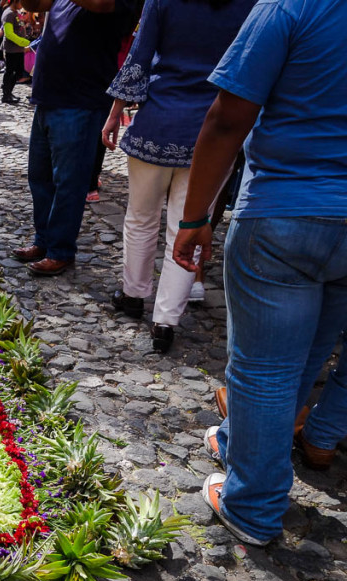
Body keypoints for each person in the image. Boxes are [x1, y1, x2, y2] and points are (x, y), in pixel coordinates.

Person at [173, 0, 347, 546]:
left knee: (267, 365)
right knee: (310, 349)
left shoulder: (292, 5)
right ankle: (233, 440)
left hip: (286, 209)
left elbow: (227, 116)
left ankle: (253, 503)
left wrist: (196, 216)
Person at [101, 0, 254, 352]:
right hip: (214, 134)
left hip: (158, 122)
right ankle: (165, 323)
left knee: (140, 218)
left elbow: (139, 56)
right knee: (188, 227)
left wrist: (115, 112)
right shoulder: (251, 5)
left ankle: (133, 295)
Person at [10, 0, 136, 276]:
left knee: (69, 181)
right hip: (48, 96)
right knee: (39, 177)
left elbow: (103, 5)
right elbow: (34, 3)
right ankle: (43, 241)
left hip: (82, 100)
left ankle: (60, 250)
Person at [0, 0, 26, 103]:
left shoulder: (16, 12)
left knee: (18, 72)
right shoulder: (8, 13)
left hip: (19, 49)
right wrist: (24, 42)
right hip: (11, 49)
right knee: (10, 71)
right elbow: (9, 34)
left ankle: (8, 90)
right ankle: (6, 94)